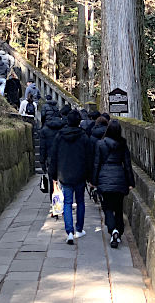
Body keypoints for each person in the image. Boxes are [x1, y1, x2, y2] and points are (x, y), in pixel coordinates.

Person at [49, 109, 93, 244]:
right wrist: (90, 176)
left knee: (67, 203)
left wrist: (53, 175)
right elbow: (89, 158)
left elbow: (54, 157)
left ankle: (69, 232)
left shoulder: (59, 136)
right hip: (80, 174)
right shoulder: (84, 137)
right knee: (80, 202)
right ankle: (79, 229)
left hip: (64, 174)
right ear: (79, 122)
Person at [92, 119, 135, 249]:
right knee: (119, 207)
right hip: (119, 178)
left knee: (107, 207)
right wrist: (130, 182)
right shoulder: (123, 144)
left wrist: (94, 181)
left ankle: (113, 230)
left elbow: (96, 164)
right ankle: (118, 230)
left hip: (104, 179)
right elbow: (127, 165)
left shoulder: (100, 144)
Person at [39, 104, 64, 203]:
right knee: (63, 181)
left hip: (50, 157)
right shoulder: (63, 129)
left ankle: (54, 203)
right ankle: (63, 201)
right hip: (63, 157)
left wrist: (42, 161)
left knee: (52, 181)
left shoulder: (45, 130)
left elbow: (42, 147)